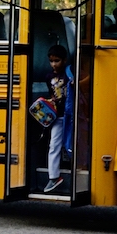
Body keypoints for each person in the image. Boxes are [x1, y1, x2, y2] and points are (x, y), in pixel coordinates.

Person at [43, 44, 73, 193]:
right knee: (54, 146)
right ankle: (54, 176)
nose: (54, 64)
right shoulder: (49, 77)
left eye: (57, 60)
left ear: (65, 60)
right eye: (51, 61)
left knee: (71, 144)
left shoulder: (69, 73)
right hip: (58, 116)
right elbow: (53, 95)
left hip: (70, 115)